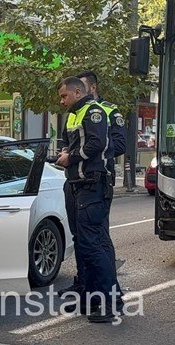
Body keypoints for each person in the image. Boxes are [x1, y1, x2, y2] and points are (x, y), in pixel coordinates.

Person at [56, 77, 124, 323]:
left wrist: (71, 157)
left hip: (92, 185)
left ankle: (110, 303)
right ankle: (91, 299)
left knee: (94, 246)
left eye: (64, 96)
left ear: (78, 91)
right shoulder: (74, 114)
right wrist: (64, 152)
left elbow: (97, 143)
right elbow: (69, 141)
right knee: (86, 244)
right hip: (78, 186)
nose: (61, 101)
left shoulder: (94, 111)